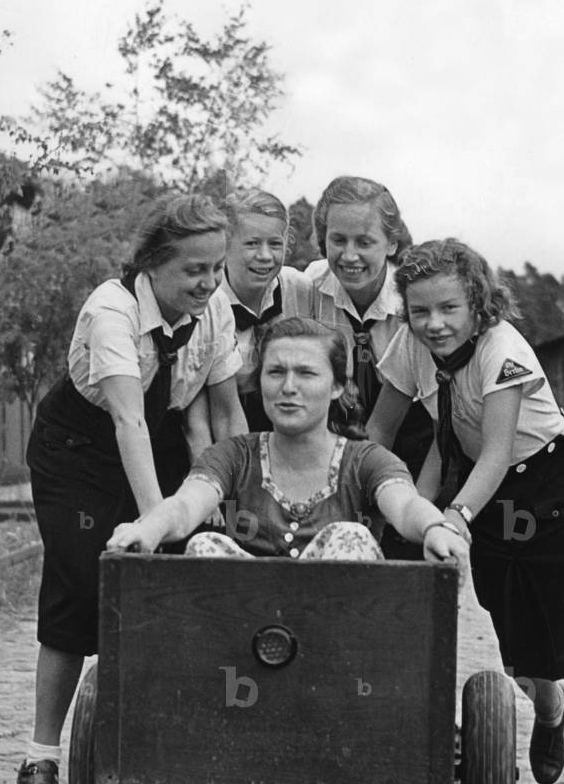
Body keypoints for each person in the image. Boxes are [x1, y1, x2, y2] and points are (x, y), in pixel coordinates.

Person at [367, 238, 564, 784]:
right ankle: (547, 703)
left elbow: (498, 451)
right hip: (485, 493)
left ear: (479, 304)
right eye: (419, 311)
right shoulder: (412, 346)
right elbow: (380, 432)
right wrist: (360, 494)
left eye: (448, 309)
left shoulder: (504, 349)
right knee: (519, 644)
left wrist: (450, 518)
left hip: (550, 488)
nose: (433, 324)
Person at [15, 193, 246, 784]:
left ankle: (163, 744)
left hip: (161, 440)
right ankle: (41, 760)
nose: (208, 282)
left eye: (216, 267)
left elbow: (224, 412)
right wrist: (154, 525)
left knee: (180, 587)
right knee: (79, 583)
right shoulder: (112, 308)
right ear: (153, 264)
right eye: (192, 270)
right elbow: (125, 419)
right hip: (81, 449)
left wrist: (238, 495)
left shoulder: (216, 309)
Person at [107, 318, 470, 589]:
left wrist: (435, 528)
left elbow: (405, 505)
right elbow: (187, 505)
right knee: (205, 544)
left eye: (307, 373)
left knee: (351, 538)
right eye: (276, 372)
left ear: (337, 386)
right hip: (242, 638)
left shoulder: (366, 460)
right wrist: (149, 528)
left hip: (341, 644)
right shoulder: (234, 456)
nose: (289, 388)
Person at [304, 176, 432, 480]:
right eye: (338, 240)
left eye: (364, 242)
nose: (349, 256)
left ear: (391, 244)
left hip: (414, 432)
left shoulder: (412, 301)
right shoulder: (310, 285)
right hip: (336, 429)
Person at [212, 188, 311, 430]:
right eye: (252, 244)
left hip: (289, 415)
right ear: (225, 245)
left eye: (275, 244)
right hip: (225, 414)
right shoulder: (209, 303)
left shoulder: (299, 288)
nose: (265, 256)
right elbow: (217, 410)